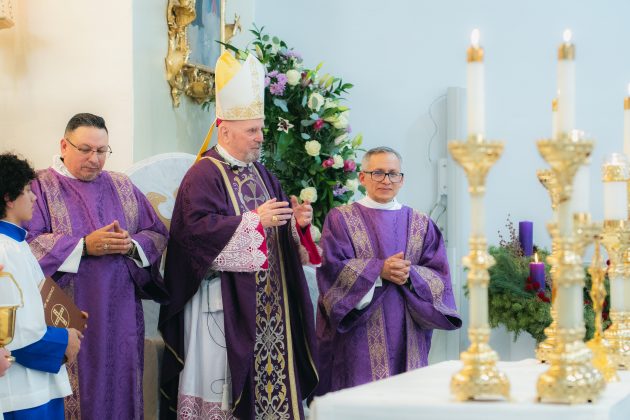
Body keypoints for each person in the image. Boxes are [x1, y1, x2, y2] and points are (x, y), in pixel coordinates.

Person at [159, 51, 320, 420]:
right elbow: (193, 237)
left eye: (261, 129)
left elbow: (278, 231)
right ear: (225, 130)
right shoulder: (204, 174)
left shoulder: (263, 174)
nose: (260, 138)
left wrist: (296, 224)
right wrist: (252, 222)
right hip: (222, 305)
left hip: (271, 308)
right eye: (252, 131)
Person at [24, 114, 169, 418]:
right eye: (86, 149)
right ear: (64, 146)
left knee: (121, 388)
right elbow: (27, 243)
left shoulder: (122, 185)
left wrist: (132, 245)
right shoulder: (39, 186)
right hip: (67, 312)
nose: (95, 159)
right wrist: (83, 246)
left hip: (122, 314)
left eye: (102, 151)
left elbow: (156, 233)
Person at [315, 146, 462, 394]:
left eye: (393, 174)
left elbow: (439, 276)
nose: (386, 180)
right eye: (378, 173)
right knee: (363, 398)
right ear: (362, 178)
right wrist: (379, 270)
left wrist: (410, 274)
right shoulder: (341, 218)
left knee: (406, 397)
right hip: (359, 335)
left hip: (409, 331)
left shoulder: (421, 223)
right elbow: (332, 269)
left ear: (401, 180)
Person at [0, 153, 82, 419]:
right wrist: (63, 340)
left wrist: (68, 319)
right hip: (21, 390)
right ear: (9, 198)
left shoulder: (16, 244)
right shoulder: (5, 249)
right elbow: (12, 333)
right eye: (27, 190)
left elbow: (35, 304)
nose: (34, 198)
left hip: (35, 386)